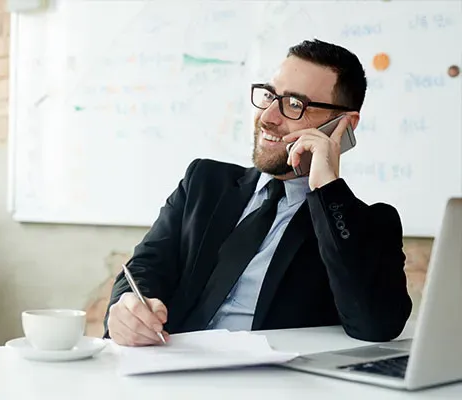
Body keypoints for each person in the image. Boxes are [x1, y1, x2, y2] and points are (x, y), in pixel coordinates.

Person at [103, 39, 412, 347]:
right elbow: (143, 268)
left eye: (294, 105)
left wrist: (327, 191)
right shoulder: (204, 182)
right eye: (269, 96)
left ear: (343, 125)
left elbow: (375, 325)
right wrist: (127, 308)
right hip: (171, 368)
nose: (267, 117)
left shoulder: (366, 225)